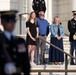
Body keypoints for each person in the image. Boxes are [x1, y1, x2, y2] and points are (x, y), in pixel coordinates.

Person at [0, 10, 30, 75]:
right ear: (2, 22)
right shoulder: (1, 40)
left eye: (14, 21)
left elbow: (26, 65)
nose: (12, 24)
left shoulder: (20, 41)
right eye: (8, 21)